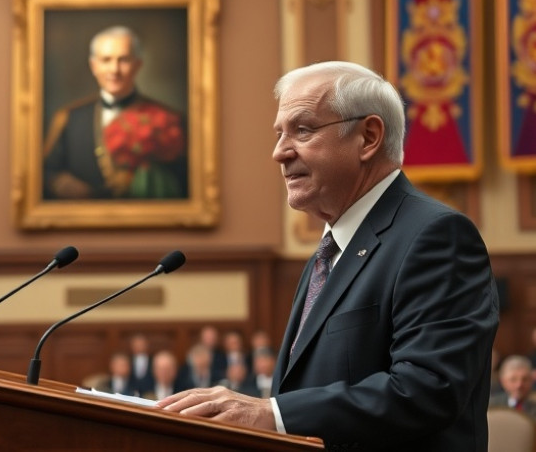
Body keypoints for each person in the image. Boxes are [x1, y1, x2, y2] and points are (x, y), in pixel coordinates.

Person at [157, 61, 499, 451]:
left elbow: (428, 388)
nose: (279, 153)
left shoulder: (436, 236)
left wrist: (273, 414)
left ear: (368, 137)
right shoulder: (334, 246)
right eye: (279, 133)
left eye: (302, 130)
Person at [42, 25, 186, 200]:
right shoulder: (69, 118)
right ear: (93, 66)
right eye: (106, 60)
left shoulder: (167, 119)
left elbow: (183, 183)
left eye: (123, 60)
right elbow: (45, 172)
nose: (114, 70)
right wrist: (59, 183)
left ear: (138, 64)